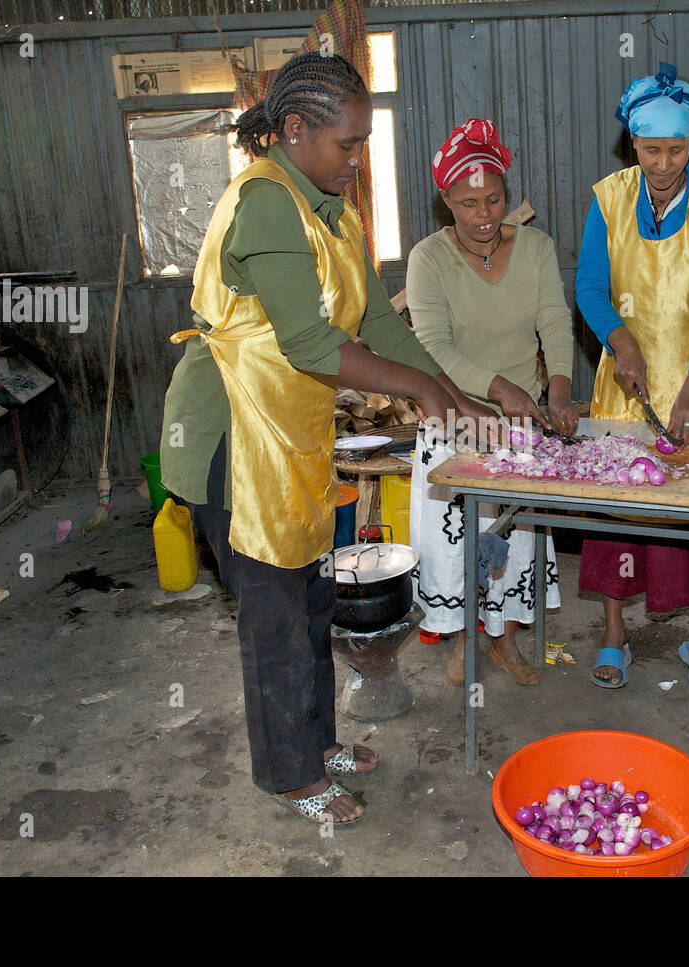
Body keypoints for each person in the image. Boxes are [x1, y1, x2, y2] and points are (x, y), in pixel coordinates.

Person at [158, 53, 492, 825]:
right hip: (232, 438)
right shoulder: (267, 203)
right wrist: (419, 392)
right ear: (296, 129)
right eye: (346, 144)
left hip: (287, 432)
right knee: (274, 614)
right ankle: (289, 775)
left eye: (362, 144)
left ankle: (317, 743)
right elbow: (310, 344)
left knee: (312, 597)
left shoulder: (331, 206)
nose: (356, 159)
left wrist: (451, 388)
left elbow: (375, 321)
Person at [574, 62, 689, 688]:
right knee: (618, 515)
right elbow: (590, 286)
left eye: (677, 149)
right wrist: (621, 342)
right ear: (632, 144)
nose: (665, 162)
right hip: (625, 383)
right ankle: (615, 634)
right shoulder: (608, 197)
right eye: (652, 149)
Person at [406, 118, 577, 688]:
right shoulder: (429, 259)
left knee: (513, 535)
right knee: (456, 535)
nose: (484, 215)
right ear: (445, 201)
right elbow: (433, 348)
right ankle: (463, 639)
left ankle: (501, 637)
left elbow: (554, 319)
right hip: (452, 415)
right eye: (469, 203)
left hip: (525, 420)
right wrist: (500, 387)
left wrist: (557, 385)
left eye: (495, 199)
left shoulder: (535, 248)